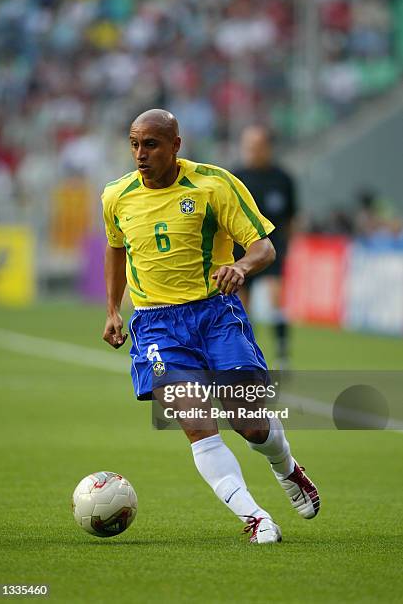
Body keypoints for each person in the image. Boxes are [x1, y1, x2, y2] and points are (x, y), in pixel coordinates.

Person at [101, 109, 319, 545]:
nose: (140, 154)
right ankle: (255, 517)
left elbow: (264, 247)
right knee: (198, 424)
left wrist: (240, 266)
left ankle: (287, 467)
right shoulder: (115, 196)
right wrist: (112, 309)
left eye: (151, 145)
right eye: (134, 144)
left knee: (250, 425)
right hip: (156, 326)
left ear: (176, 145)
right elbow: (116, 249)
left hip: (216, 315)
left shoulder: (214, 184)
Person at [233, 126, 298, 368]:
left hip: (272, 248)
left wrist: (286, 248)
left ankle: (282, 355)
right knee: (241, 306)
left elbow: (291, 217)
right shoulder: (235, 177)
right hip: (240, 251)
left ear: (267, 147)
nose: (252, 151)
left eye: (257, 146)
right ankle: (248, 355)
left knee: (275, 299)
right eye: (248, 146)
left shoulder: (283, 179)